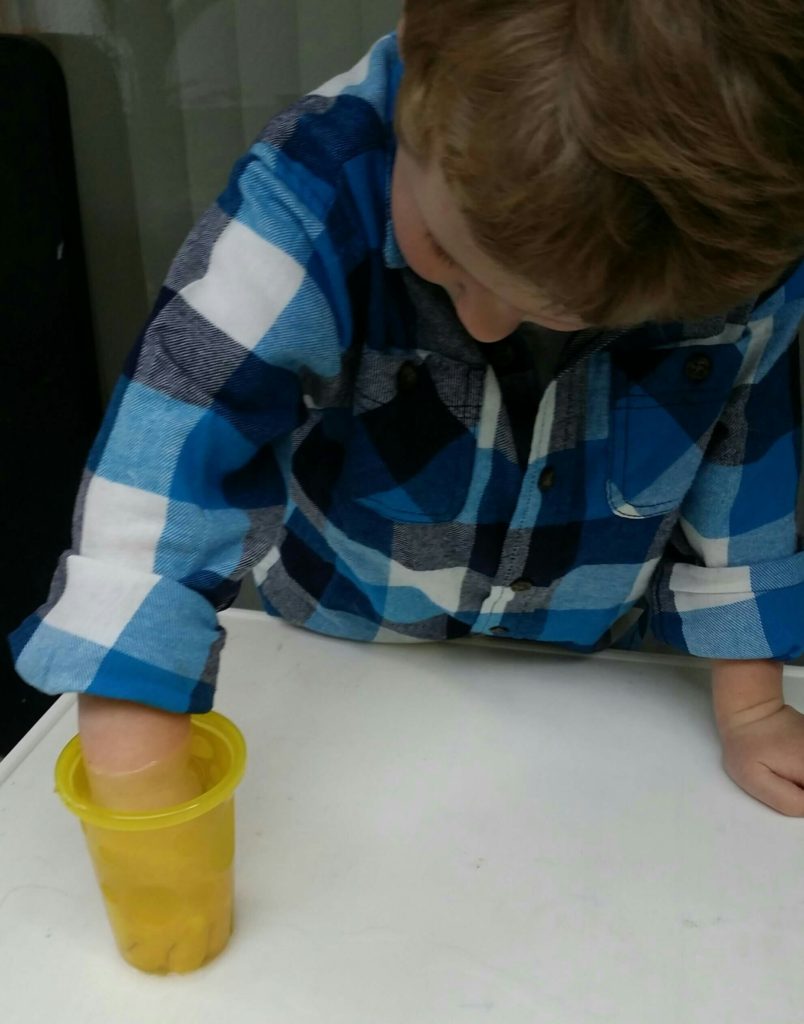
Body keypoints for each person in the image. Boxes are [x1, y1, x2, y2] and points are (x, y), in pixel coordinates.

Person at [10, 1, 804, 820]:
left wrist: (752, 711)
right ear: (416, 78)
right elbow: (175, 440)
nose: (483, 325)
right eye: (448, 256)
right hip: (341, 636)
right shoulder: (307, 191)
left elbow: (744, 471)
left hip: (593, 664)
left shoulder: (736, 246)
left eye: (566, 316)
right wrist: (135, 759)